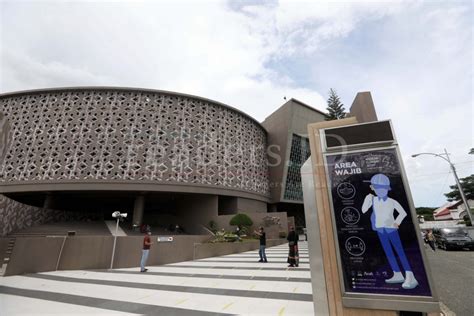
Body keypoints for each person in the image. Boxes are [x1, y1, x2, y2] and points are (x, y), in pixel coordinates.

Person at [362, 173, 418, 290]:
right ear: (373, 188)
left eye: (382, 188)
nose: (380, 191)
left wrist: (396, 223)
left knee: (400, 252)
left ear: (387, 189)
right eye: (377, 188)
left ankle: (410, 276)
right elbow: (363, 210)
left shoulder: (392, 201)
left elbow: (403, 213)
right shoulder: (373, 199)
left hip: (391, 229)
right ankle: (397, 273)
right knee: (388, 252)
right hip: (380, 230)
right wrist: (367, 199)